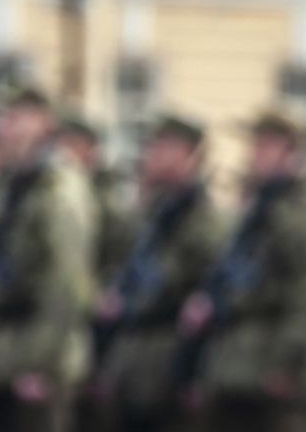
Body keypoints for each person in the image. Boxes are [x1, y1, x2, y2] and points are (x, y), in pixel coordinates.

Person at [179, 111, 306, 432]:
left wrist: (286, 364)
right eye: (255, 144)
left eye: (265, 144)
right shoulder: (257, 208)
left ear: (290, 151)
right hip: (235, 375)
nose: (254, 154)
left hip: (279, 382)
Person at [0, 87, 96, 432]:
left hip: (34, 364)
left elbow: (65, 286)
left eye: (15, 118)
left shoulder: (60, 188)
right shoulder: (8, 185)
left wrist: (41, 366)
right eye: (3, 117)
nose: (4, 127)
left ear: (43, 124)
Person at [91, 114, 223, 432]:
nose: (154, 154)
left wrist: (194, 376)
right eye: (154, 146)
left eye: (166, 147)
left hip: (171, 361)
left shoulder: (206, 220)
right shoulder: (152, 213)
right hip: (133, 359)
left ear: (192, 156)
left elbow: (210, 299)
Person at [55, 112, 138, 283]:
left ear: (92, 151)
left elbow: (118, 249)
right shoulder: (56, 190)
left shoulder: (109, 196)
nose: (63, 154)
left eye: (72, 145)